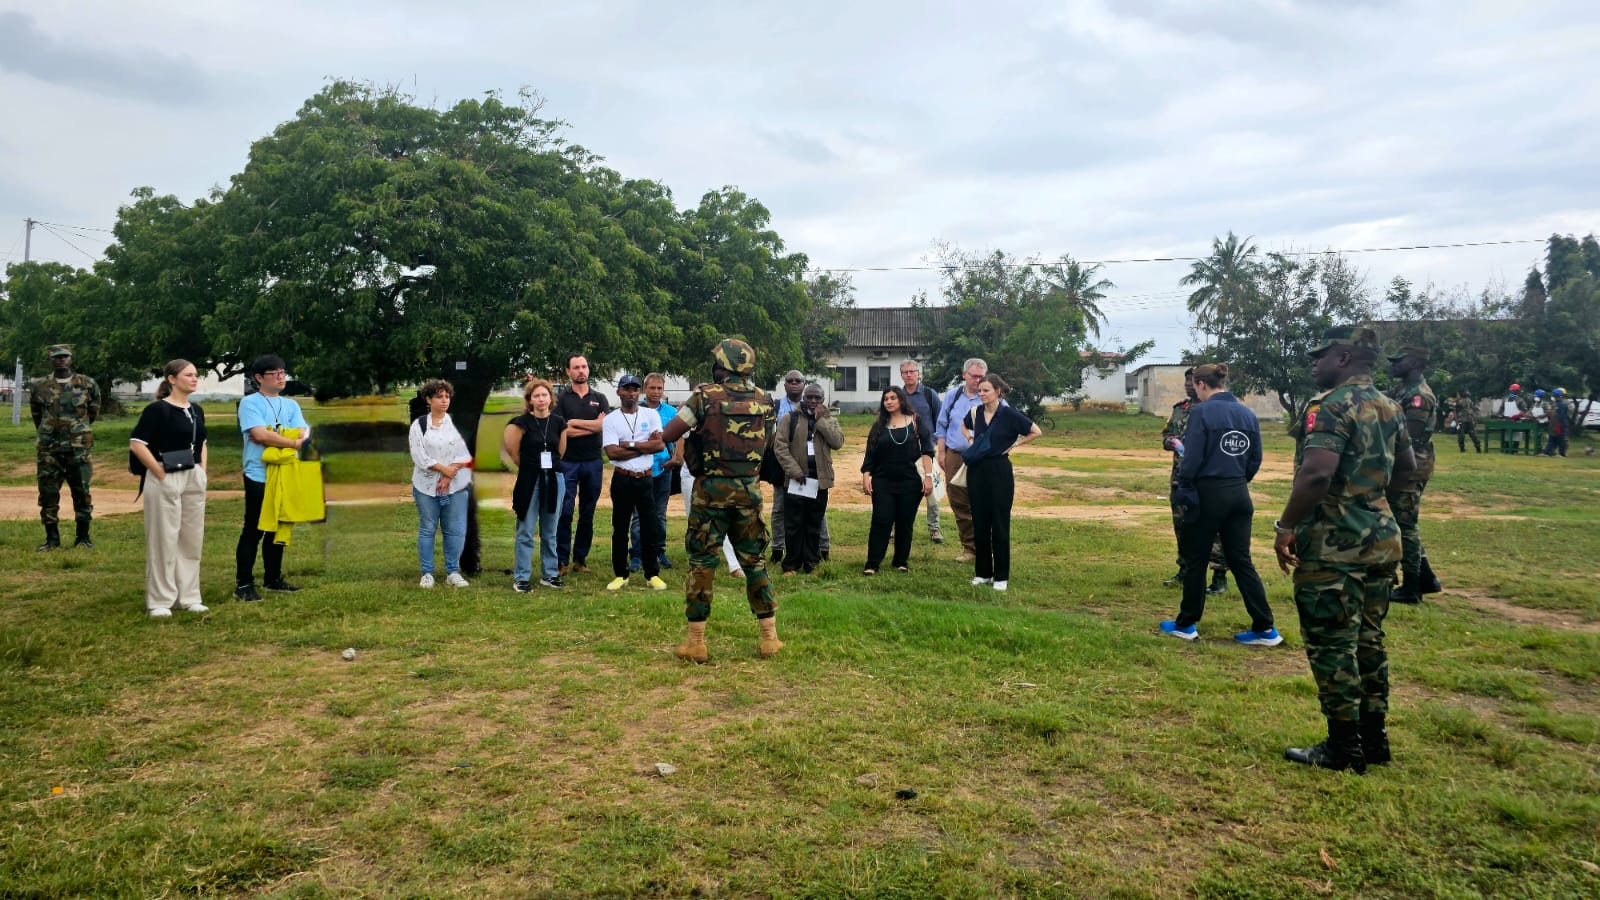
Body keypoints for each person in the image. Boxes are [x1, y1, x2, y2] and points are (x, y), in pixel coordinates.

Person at [1273, 326, 1416, 773]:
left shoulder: (1332, 406)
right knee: (1369, 642)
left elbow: (1316, 474)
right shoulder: (1390, 406)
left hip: (1334, 546)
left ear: (1342, 358)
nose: (1314, 364)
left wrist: (1286, 525)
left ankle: (1342, 747)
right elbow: (1407, 469)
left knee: (1332, 645)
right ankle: (1374, 740)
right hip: (1380, 541)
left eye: (1320, 356)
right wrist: (1370, 501)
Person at [659, 339, 779, 662]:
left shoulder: (703, 397)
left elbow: (670, 433)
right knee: (755, 561)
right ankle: (769, 638)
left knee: (702, 563)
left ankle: (696, 642)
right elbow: (768, 443)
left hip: (710, 494)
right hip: (748, 494)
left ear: (722, 366)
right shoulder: (765, 400)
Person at [1159, 364, 1280, 646]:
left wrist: (1186, 488)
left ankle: (1186, 624)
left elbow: (1192, 458)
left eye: (1194, 385)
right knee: (1241, 560)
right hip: (1239, 494)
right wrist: (1237, 480)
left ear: (1201, 384)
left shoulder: (1202, 412)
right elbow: (1255, 458)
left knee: (1196, 559)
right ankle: (1265, 628)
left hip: (1208, 494)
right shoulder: (1247, 413)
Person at [128, 360, 209, 617]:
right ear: (172, 379)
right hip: (165, 475)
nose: (194, 379)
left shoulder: (196, 410)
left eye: (195, 375)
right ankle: (160, 600)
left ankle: (188, 596)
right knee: (163, 539)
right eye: (188, 375)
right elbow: (137, 443)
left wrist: (202, 471)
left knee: (191, 538)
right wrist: (159, 473)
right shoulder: (157, 410)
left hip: (192, 475)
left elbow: (202, 443)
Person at [235, 355, 310, 601]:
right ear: (259, 378)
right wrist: (291, 441)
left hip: (286, 472)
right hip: (259, 474)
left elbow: (302, 433)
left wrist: (281, 438)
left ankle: (273, 578)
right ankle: (244, 583)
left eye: (282, 372)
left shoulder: (291, 405)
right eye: (274, 373)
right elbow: (259, 435)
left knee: (279, 527)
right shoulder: (250, 403)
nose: (280, 377)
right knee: (254, 528)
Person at [959, 374, 1041, 591]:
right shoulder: (976, 412)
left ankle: (1001, 576)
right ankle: (982, 573)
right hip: (977, 470)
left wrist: (1016, 444)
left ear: (998, 391)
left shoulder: (1009, 414)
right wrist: (970, 438)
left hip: (999, 470)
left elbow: (1036, 431)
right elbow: (963, 425)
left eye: (986, 390)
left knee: (999, 524)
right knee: (980, 523)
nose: (981, 394)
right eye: (980, 391)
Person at [1160, 367, 1228, 592]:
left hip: (1206, 479)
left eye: (1193, 381)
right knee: (1182, 526)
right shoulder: (1180, 409)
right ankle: (1185, 570)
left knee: (1214, 529)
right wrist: (1171, 442)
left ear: (1202, 384)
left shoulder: (1215, 410)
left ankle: (1219, 577)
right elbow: (1166, 436)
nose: (1189, 385)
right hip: (1180, 478)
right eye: (1186, 381)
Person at [31, 343, 100, 551]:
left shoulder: (87, 384)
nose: (61, 360)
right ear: (51, 360)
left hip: (78, 448)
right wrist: (48, 432)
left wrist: (77, 430)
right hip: (49, 449)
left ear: (70, 358)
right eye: (57, 357)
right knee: (48, 494)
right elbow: (37, 414)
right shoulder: (39, 385)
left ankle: (83, 537)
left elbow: (93, 411)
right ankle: (52, 539)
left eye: (65, 356)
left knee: (82, 493)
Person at [601, 374, 667, 592]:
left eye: (635, 389)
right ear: (619, 392)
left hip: (645, 478)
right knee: (620, 527)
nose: (631, 393)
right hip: (623, 478)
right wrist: (644, 445)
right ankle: (621, 574)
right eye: (627, 389)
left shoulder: (650, 414)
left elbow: (658, 446)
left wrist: (629, 444)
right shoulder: (611, 419)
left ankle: (652, 573)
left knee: (650, 527)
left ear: (639, 392)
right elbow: (612, 453)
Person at [861, 385, 935, 575]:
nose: (889, 402)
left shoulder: (916, 421)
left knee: (905, 521)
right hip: (883, 481)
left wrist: (928, 477)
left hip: (910, 481)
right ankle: (872, 563)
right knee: (881, 519)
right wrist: (866, 475)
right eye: (886, 399)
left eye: (893, 398)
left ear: (901, 400)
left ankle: (901, 561)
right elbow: (870, 453)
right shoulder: (879, 426)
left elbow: (927, 450)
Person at [1387, 345, 1440, 603]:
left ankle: (1411, 587)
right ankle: (1426, 578)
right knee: (1401, 519)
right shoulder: (1403, 389)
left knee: (1405, 524)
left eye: (1399, 360)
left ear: (1414, 364)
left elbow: (1409, 435)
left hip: (1411, 464)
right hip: (1404, 462)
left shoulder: (1419, 395)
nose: (1393, 364)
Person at [503, 378, 567, 592]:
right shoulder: (520, 423)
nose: (541, 399)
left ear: (551, 398)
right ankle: (522, 577)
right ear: (530, 400)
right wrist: (532, 468)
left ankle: (550, 574)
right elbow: (514, 454)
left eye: (544, 395)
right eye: (536, 396)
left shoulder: (559, 422)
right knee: (526, 529)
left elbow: (561, 451)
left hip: (554, 478)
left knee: (550, 530)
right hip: (530, 479)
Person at [409, 379, 474, 588]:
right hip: (426, 486)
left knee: (455, 530)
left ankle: (452, 572)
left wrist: (448, 475)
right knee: (428, 528)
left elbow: (465, 453)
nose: (444, 400)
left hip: (455, 485)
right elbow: (419, 456)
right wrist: (442, 469)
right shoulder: (419, 425)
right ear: (429, 400)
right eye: (439, 397)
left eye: (447, 396)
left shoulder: (456, 424)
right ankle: (427, 573)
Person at [775, 382, 843, 575]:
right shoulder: (790, 418)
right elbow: (780, 447)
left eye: (817, 398)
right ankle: (791, 564)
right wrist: (794, 470)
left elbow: (837, 442)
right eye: (809, 397)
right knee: (794, 524)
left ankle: (811, 562)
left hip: (819, 481)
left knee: (814, 523)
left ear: (823, 399)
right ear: (803, 398)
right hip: (797, 480)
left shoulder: (829, 419)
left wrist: (821, 421)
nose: (813, 401)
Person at [555, 353, 610, 575]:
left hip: (593, 461)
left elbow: (604, 426)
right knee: (565, 511)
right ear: (568, 371)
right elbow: (562, 431)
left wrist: (575, 423)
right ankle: (561, 561)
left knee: (588, 512)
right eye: (576, 367)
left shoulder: (600, 398)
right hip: (567, 462)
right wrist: (592, 426)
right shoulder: (560, 399)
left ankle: (580, 559)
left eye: (584, 366)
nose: (581, 371)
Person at [769, 370, 830, 562]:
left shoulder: (821, 412)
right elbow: (774, 440)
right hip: (784, 466)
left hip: (812, 470)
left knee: (816, 511)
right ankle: (778, 548)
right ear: (785, 384)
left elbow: (836, 440)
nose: (794, 383)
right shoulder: (777, 407)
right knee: (780, 509)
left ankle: (822, 547)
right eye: (790, 381)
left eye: (798, 381)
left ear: (804, 385)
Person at [935, 358, 989, 562]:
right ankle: (970, 548)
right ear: (964, 375)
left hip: (983, 459)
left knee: (983, 502)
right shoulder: (953, 396)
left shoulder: (991, 396)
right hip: (955, 456)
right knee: (959, 502)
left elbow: (1007, 423)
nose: (978, 380)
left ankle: (987, 547)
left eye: (981, 377)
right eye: (974, 376)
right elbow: (942, 425)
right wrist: (941, 452)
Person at [628, 373, 677, 573]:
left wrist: (675, 458)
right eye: (652, 388)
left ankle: (659, 551)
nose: (656, 392)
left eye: (659, 388)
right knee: (639, 514)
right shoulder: (634, 411)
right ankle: (637, 554)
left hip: (663, 468)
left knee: (659, 513)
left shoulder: (671, 412)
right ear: (644, 389)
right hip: (640, 469)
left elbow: (680, 437)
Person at [899, 360, 945, 544]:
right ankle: (895, 526)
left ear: (918, 374)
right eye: (905, 372)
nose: (909, 375)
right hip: (902, 450)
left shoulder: (929, 394)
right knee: (900, 488)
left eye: (912, 371)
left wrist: (938, 444)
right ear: (901, 375)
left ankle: (934, 528)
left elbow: (940, 420)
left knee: (931, 487)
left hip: (926, 449)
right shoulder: (898, 396)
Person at [1542, 388, 1571, 457]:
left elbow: (1561, 416)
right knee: (1552, 439)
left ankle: (1562, 454)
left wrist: (1558, 425)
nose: (1554, 397)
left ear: (1559, 396)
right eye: (1554, 396)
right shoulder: (1556, 404)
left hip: (1560, 424)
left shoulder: (1562, 404)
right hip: (1554, 424)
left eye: (1555, 396)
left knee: (1561, 439)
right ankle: (1547, 452)